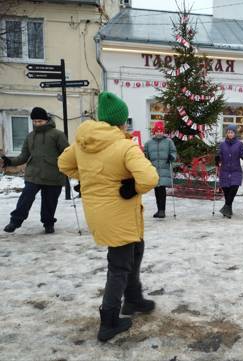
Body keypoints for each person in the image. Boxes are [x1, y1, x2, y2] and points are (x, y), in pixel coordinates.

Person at [58, 92, 159, 342]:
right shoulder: (125, 146)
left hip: (100, 213)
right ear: (121, 121)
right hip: (119, 215)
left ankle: (133, 299)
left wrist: (86, 177)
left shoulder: (84, 143)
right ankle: (109, 321)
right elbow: (150, 179)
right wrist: (132, 187)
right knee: (119, 265)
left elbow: (63, 163)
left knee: (136, 250)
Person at [1, 107, 69, 234]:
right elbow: (24, 156)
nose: (37, 124)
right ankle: (15, 222)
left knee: (49, 202)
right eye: (35, 121)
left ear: (46, 120)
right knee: (26, 197)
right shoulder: (30, 136)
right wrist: (9, 162)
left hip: (53, 175)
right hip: (34, 175)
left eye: (40, 121)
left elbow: (67, 153)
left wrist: (67, 167)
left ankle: (48, 223)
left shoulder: (57, 135)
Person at [215, 124, 243, 218]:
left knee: (233, 189)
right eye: (228, 132)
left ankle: (226, 209)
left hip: (236, 171)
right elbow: (220, 155)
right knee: (227, 192)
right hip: (225, 171)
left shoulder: (239, 144)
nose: (230, 134)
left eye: (232, 132)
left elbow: (242, 154)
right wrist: (218, 158)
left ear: (235, 133)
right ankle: (228, 210)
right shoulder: (222, 144)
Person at [144, 121, 177, 218]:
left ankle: (162, 210)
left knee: (161, 189)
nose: (159, 133)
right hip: (153, 169)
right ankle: (159, 210)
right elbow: (145, 154)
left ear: (163, 132)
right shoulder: (149, 143)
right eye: (157, 131)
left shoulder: (168, 141)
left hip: (164, 168)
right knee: (156, 190)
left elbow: (173, 152)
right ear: (154, 132)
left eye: (161, 131)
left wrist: (172, 157)